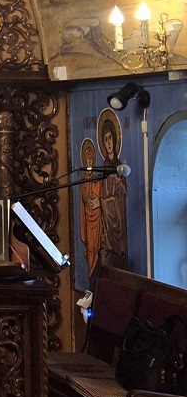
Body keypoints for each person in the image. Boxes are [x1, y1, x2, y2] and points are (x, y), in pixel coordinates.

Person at [97, 116, 129, 271]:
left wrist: (103, 202)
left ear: (115, 139)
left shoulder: (121, 168)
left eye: (110, 138)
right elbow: (102, 192)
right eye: (105, 140)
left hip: (117, 220)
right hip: (106, 222)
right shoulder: (103, 168)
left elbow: (121, 196)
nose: (109, 143)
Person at [79, 138, 105, 281]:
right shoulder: (83, 183)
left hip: (97, 222)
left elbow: (103, 200)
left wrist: (99, 203)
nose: (89, 160)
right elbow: (82, 207)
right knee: (90, 253)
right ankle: (91, 281)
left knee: (98, 252)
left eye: (91, 157)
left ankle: (97, 281)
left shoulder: (98, 181)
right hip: (88, 225)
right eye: (86, 158)